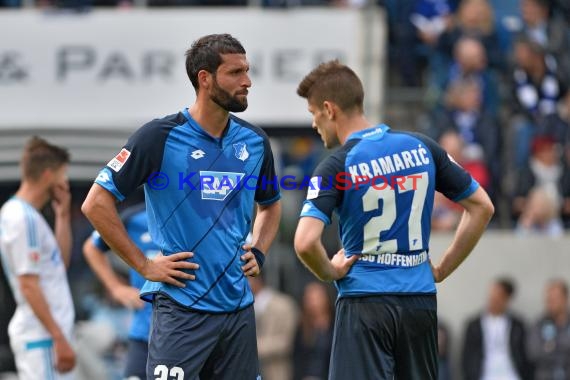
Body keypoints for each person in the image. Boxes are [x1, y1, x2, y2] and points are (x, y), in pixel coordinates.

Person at [81, 33, 282, 380]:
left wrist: (259, 250)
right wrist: (144, 265)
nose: (247, 81)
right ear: (205, 79)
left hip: (238, 310)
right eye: (235, 73)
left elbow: (271, 206)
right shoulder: (159, 137)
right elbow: (96, 203)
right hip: (182, 310)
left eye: (247, 71)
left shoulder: (255, 142)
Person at [293, 60, 494, 380]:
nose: (315, 125)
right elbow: (482, 207)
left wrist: (330, 270)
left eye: (314, 114)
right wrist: (441, 268)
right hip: (420, 303)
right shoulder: (423, 147)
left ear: (329, 110)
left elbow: (305, 242)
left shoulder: (336, 165)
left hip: (365, 305)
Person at [0, 137, 76, 380]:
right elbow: (28, 284)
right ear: (47, 175)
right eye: (62, 174)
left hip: (47, 337)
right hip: (43, 338)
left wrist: (62, 215)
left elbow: (59, 265)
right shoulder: (23, 218)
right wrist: (58, 338)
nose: (65, 182)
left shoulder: (29, 216)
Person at [82, 203, 159, 379]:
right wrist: (116, 288)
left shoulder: (199, 212)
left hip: (187, 332)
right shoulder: (134, 217)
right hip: (143, 332)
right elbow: (91, 247)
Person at [462, 278, 532, 380]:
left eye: (498, 296)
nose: (493, 300)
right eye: (492, 295)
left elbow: (524, 356)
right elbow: (467, 358)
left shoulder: (517, 326)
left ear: (507, 299)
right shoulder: (474, 326)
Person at [249, 274, 298, 380]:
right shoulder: (242, 308)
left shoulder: (284, 305)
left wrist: (252, 348)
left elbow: (285, 342)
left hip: (276, 372)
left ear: (255, 279)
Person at [528, 279, 570, 380]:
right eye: (548, 299)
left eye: (555, 299)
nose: (551, 303)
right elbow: (534, 353)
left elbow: (546, 350)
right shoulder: (538, 324)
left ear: (565, 299)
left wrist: (551, 346)